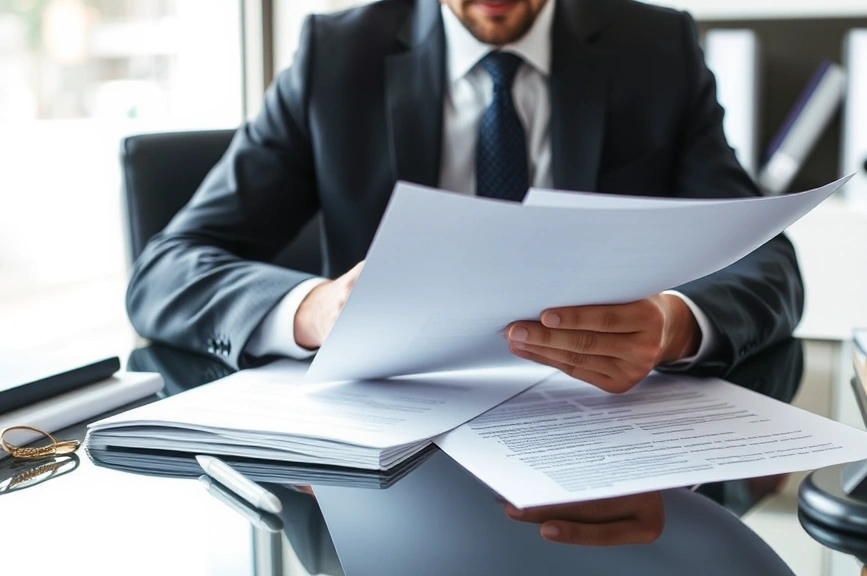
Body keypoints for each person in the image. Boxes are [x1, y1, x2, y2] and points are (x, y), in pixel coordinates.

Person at [127, 0, 804, 393]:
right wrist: (314, 310)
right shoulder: (334, 58)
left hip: (599, 435)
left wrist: (673, 324)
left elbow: (768, 263)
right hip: (386, 460)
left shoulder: (656, 50)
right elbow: (166, 270)